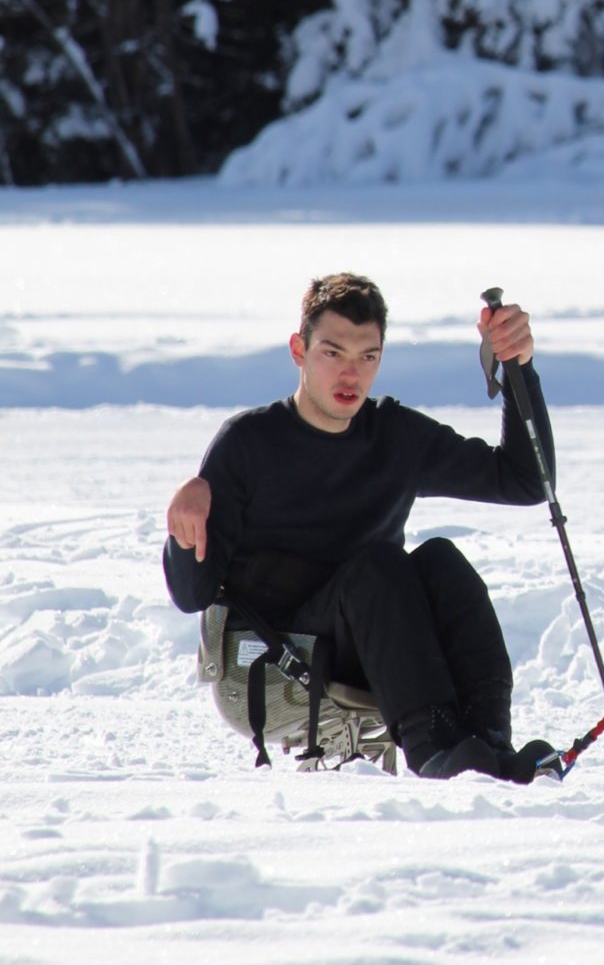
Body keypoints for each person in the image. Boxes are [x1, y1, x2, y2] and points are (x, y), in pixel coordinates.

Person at [164, 273, 558, 779]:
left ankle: (488, 745)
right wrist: (184, 523)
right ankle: (433, 750)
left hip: (378, 645)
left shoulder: (392, 435)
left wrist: (518, 369)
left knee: (441, 560)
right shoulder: (249, 443)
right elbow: (192, 593)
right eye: (333, 353)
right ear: (298, 350)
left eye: (367, 357)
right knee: (378, 567)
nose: (350, 374)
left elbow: (525, 481)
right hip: (278, 662)